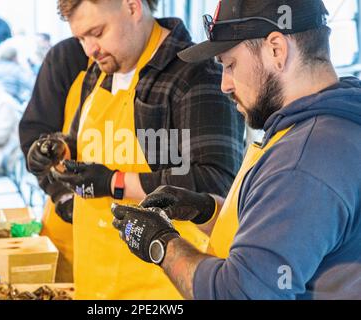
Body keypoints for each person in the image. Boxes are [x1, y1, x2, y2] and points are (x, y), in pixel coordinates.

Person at [112, 0, 361, 300]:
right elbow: (277, 238)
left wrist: (160, 244)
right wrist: (205, 210)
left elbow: (240, 293)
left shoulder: (304, 159)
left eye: (230, 65)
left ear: (276, 51)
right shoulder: (330, 124)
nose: (224, 85)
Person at [26, 0, 244, 299]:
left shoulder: (193, 74)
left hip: (161, 288)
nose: (90, 49)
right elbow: (85, 143)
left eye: (97, 32)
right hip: (96, 282)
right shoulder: (102, 69)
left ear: (132, 6)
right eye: (81, 38)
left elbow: (215, 182)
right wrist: (59, 149)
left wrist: (115, 183)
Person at [19, 37, 90, 282]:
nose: (93, 46)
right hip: (69, 227)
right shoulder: (67, 58)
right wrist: (62, 193)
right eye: (85, 35)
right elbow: (33, 134)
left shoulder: (171, 65)